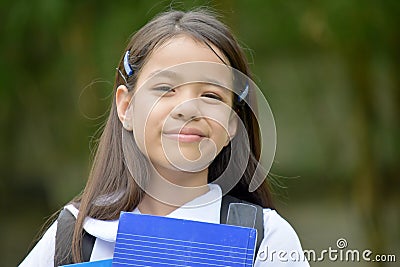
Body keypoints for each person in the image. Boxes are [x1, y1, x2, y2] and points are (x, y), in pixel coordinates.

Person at [19, 9, 309, 267]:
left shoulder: (263, 238)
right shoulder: (76, 234)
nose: (188, 109)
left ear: (232, 125)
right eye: (165, 88)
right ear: (126, 107)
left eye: (211, 95)